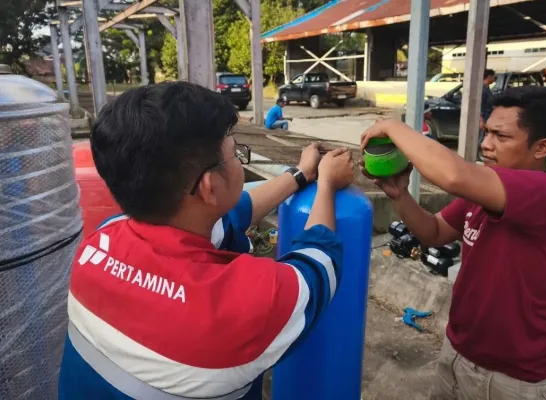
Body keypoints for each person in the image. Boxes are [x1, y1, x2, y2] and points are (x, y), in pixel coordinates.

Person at [58, 82, 355, 400]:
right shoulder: (238, 307)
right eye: (236, 153)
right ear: (209, 187)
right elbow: (319, 259)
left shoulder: (99, 242)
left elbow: (231, 214)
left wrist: (301, 173)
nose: (239, 160)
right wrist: (327, 183)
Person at [360, 86, 546, 400]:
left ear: (542, 147)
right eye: (486, 132)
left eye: (500, 136)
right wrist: (400, 196)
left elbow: (453, 175)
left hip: (517, 379)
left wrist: (394, 127)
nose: (486, 144)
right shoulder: (484, 194)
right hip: (459, 353)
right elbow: (434, 232)